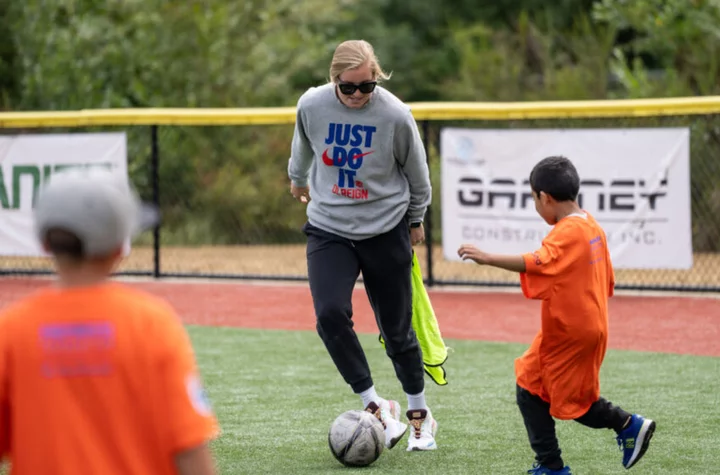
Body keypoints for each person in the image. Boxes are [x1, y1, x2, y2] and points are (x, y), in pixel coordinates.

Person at [0, 168, 220, 475]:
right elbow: (191, 451)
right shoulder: (152, 324)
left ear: (45, 243)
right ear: (119, 248)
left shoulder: (12, 330)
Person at [457, 156, 656, 474]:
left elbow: (539, 261)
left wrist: (487, 257)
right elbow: (606, 279)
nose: (536, 206)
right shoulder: (591, 224)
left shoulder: (566, 232)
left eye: (534, 199)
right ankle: (551, 463)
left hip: (570, 331)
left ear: (544, 197)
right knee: (532, 385)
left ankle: (625, 425)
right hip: (587, 325)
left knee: (572, 403)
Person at [287, 39, 438, 452]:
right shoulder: (313, 104)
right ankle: (374, 404)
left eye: (366, 87)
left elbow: (417, 174)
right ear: (333, 79)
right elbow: (302, 145)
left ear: (377, 79)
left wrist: (416, 219)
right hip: (329, 227)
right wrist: (297, 179)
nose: (357, 96)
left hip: (385, 227)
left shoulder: (395, 114)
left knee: (398, 331)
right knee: (330, 314)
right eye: (348, 87)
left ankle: (419, 413)